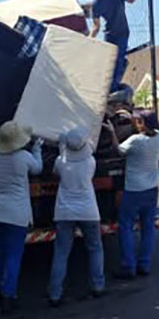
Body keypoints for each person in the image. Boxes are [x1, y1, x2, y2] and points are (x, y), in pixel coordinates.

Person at [0, 121, 43, 314]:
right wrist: (37, 149)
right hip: (16, 213)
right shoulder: (23, 157)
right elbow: (38, 169)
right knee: (13, 256)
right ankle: (8, 296)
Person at [47, 126, 105, 307]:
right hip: (89, 211)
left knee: (61, 253)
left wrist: (62, 142)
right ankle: (98, 286)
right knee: (95, 249)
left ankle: (55, 294)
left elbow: (57, 170)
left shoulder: (61, 162)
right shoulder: (90, 162)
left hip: (64, 212)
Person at [102, 111, 159, 279]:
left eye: (137, 121)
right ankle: (144, 264)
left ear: (142, 123)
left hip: (134, 190)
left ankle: (128, 266)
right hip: (151, 190)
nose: (135, 124)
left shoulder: (135, 141)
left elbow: (118, 150)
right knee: (148, 227)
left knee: (126, 227)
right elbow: (148, 128)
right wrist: (132, 117)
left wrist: (112, 131)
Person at [90, 0, 144, 93]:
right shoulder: (96, 3)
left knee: (118, 60)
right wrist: (89, 39)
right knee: (109, 62)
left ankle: (112, 90)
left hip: (122, 33)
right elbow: (96, 26)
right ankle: (108, 85)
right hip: (109, 35)